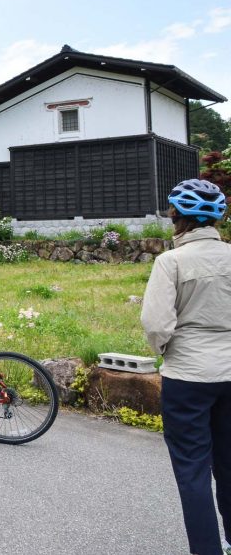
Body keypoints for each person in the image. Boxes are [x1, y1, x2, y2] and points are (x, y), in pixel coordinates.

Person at [141, 178, 231, 555]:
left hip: (189, 376)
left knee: (193, 469)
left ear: (177, 216)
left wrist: (167, 351)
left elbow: (156, 324)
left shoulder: (171, 261)